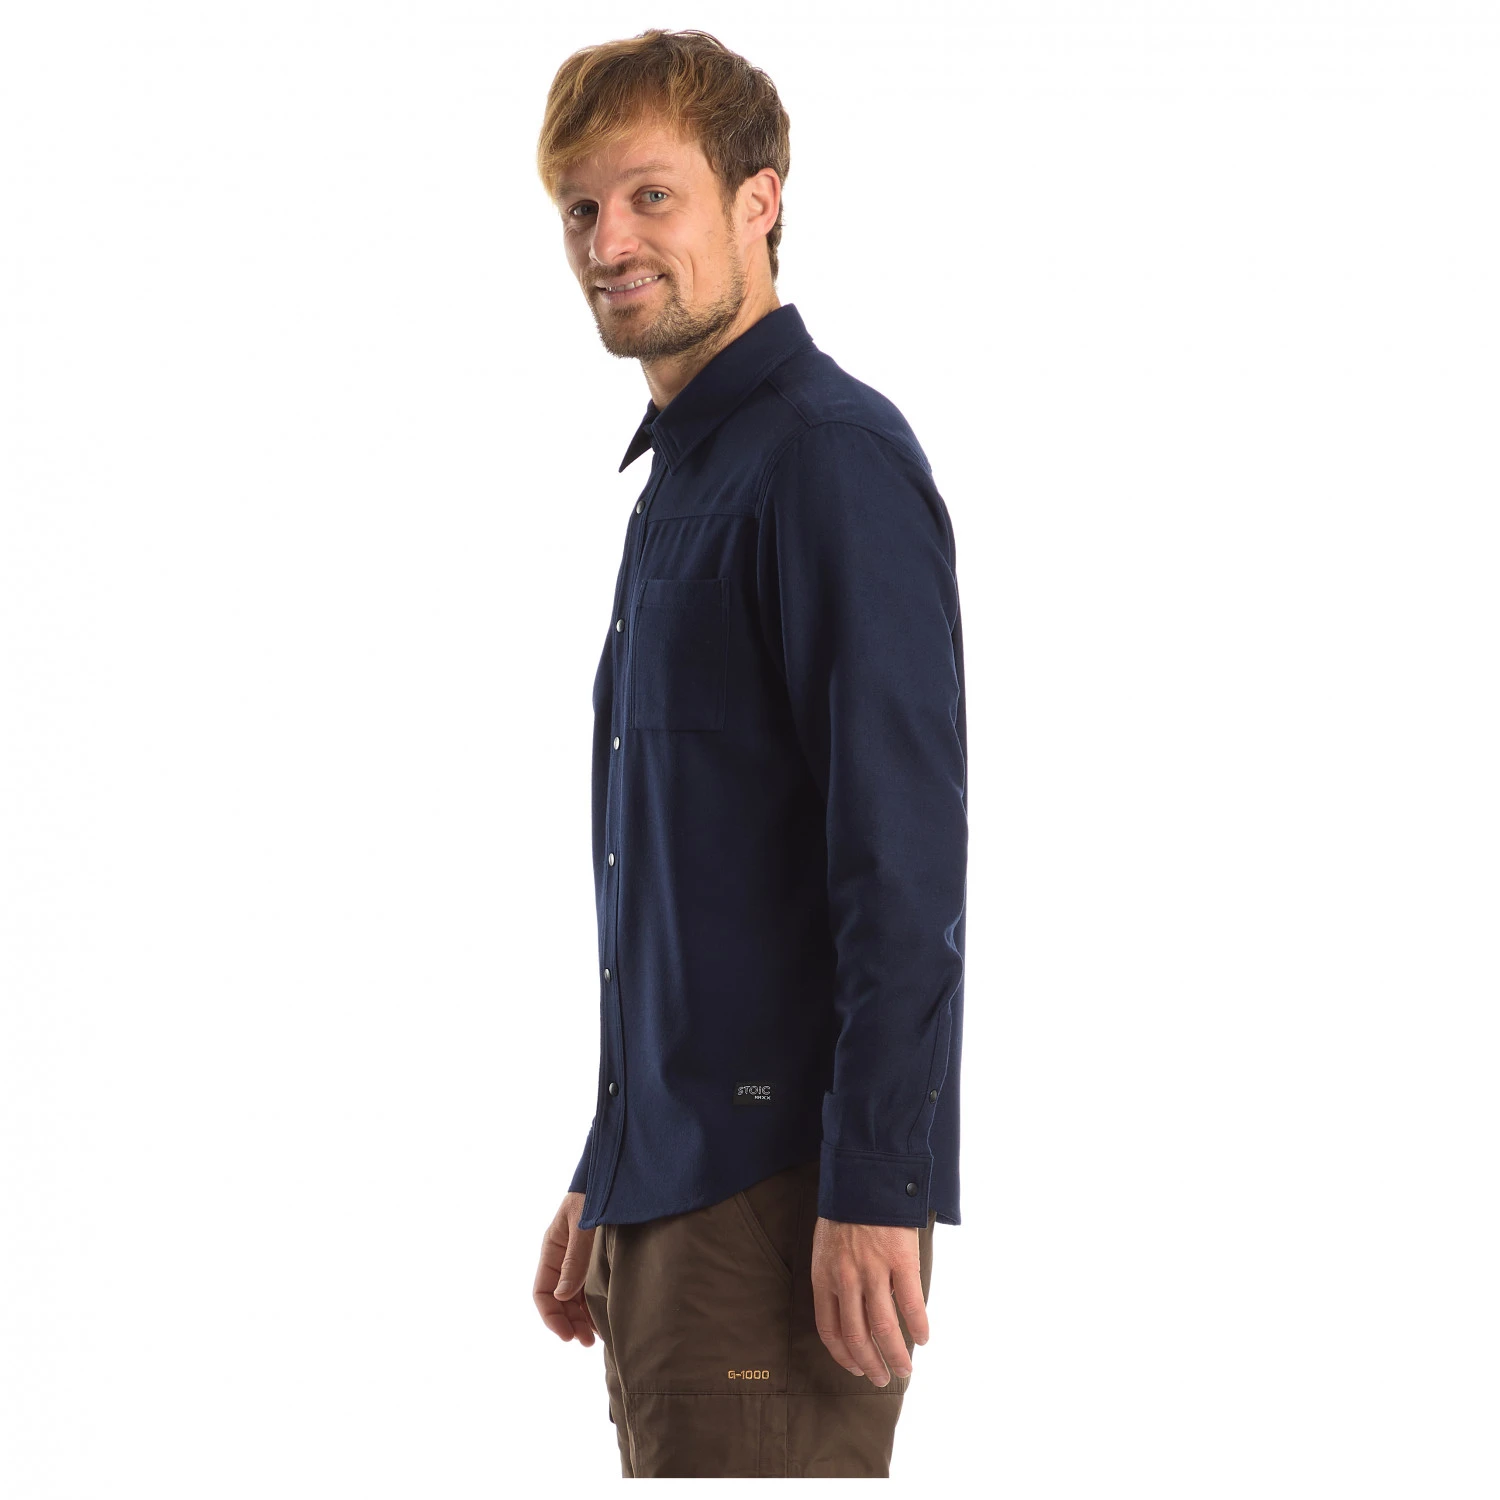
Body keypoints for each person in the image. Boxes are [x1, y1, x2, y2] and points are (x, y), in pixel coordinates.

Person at [528, 28, 968, 1478]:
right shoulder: (683, 484)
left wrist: (877, 1181)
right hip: (676, 1191)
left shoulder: (826, 459)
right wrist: (614, 1159)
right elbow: (695, 885)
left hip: (780, 1204)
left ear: (759, 200)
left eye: (650, 196)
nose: (609, 243)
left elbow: (899, 860)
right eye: (583, 208)